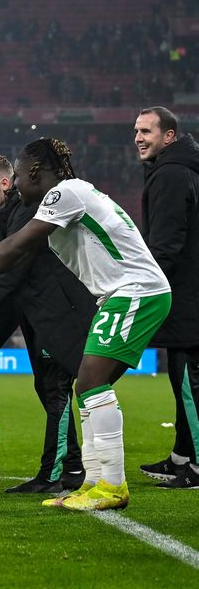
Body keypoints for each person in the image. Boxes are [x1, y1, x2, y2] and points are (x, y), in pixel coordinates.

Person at [0, 138, 171, 510]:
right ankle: (94, 482)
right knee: (88, 386)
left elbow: (15, 249)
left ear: (34, 173)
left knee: (90, 382)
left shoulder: (64, 194)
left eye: (18, 175)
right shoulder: (71, 194)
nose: (15, 184)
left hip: (135, 291)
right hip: (121, 294)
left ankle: (111, 486)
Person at [0, 153, 92, 493]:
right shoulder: (6, 216)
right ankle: (72, 468)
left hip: (60, 313)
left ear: (5, 183)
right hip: (39, 314)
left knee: (57, 389)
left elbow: (8, 274)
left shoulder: (25, 214)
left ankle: (53, 475)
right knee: (49, 388)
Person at [134, 106, 199, 489]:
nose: (138, 137)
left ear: (169, 136)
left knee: (189, 381)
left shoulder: (171, 175)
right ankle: (182, 456)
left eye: (147, 131)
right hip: (188, 294)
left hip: (186, 299)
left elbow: (166, 246)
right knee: (183, 379)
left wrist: (144, 287)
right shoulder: (180, 169)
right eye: (136, 131)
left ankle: (195, 465)